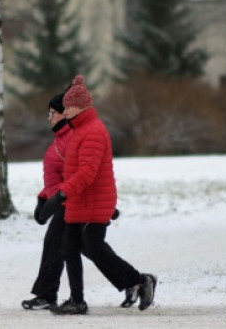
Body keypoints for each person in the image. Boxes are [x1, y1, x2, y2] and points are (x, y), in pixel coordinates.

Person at [46, 75, 157, 315]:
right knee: (70, 248)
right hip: (80, 201)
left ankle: (139, 280)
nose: (64, 112)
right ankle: (78, 300)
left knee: (93, 248)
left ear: (80, 107)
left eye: (67, 107)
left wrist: (61, 194)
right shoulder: (79, 130)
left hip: (93, 201)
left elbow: (87, 172)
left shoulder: (92, 131)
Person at [21, 93, 79, 311]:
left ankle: (46, 295)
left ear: (64, 113)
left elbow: (77, 176)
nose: (49, 117)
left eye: (52, 113)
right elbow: (55, 177)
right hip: (61, 201)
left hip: (70, 203)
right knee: (90, 248)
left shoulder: (72, 138)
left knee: (58, 245)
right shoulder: (62, 138)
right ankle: (135, 282)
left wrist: (55, 200)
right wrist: (43, 198)